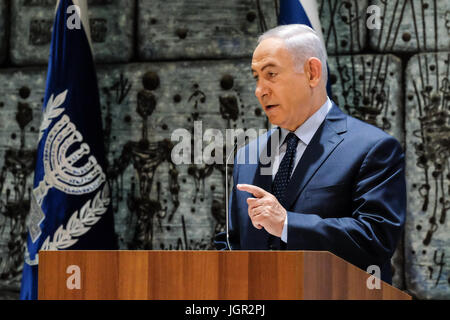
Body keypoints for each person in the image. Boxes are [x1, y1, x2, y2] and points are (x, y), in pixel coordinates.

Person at [216, 24, 406, 284]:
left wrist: (287, 224)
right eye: (256, 77)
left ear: (312, 73)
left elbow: (375, 239)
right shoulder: (248, 155)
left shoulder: (373, 148)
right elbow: (231, 241)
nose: (260, 90)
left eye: (271, 74)